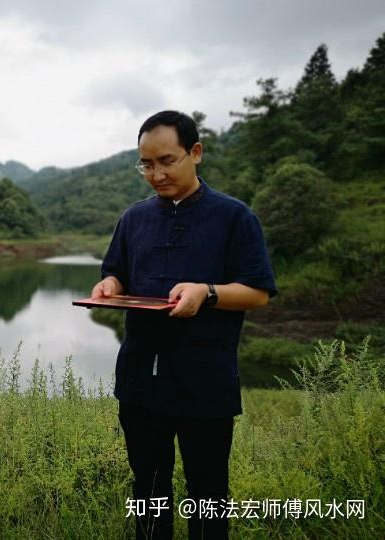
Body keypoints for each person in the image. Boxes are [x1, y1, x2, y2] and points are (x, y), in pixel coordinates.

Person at [90, 111, 277, 539]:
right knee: (149, 490)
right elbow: (116, 272)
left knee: (207, 493)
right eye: (146, 165)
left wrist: (207, 293)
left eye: (167, 161)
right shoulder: (133, 219)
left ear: (195, 153)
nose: (156, 174)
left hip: (204, 380)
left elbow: (258, 292)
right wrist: (109, 285)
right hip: (140, 380)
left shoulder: (234, 218)